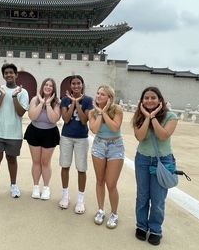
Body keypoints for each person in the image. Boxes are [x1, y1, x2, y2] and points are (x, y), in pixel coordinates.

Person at [132, 86, 178, 245]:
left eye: (153, 98)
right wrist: (146, 117)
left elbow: (163, 136)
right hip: (142, 160)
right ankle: (141, 226)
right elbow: (140, 136)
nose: (149, 100)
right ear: (142, 101)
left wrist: (153, 118)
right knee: (143, 195)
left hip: (163, 161)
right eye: (146, 98)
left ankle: (156, 229)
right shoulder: (138, 117)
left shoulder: (170, 117)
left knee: (158, 199)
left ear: (160, 100)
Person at [0, 63, 29, 201]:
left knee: (11, 159)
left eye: (11, 73)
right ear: (3, 75)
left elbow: (20, 113)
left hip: (14, 133)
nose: (9, 75)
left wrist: (14, 96)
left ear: (16, 75)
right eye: (6, 73)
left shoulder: (23, 92)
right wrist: (2, 95)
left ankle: (13, 185)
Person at [88, 85, 124, 229]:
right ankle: (101, 210)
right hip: (99, 145)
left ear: (109, 97)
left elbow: (115, 127)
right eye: (97, 93)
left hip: (115, 146)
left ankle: (114, 213)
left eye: (102, 94)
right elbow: (95, 129)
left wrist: (104, 112)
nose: (98, 96)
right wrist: (99, 113)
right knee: (100, 180)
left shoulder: (117, 110)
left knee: (111, 183)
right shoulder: (92, 113)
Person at [59, 75, 93, 214]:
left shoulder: (88, 100)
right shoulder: (65, 100)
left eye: (78, 83)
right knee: (65, 166)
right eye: (73, 84)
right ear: (70, 86)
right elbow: (66, 119)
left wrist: (78, 103)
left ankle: (80, 199)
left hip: (81, 138)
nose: (76, 86)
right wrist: (72, 102)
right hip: (67, 136)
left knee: (81, 169)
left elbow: (85, 120)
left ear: (82, 85)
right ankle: (65, 196)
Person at [24, 78, 61, 200]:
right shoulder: (35, 99)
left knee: (45, 162)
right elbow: (32, 116)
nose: (48, 87)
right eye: (46, 84)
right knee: (36, 161)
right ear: (43, 86)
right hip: (34, 132)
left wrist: (49, 103)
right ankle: (35, 187)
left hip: (50, 133)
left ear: (53, 88)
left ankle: (46, 188)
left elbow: (53, 119)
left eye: (51, 85)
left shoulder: (57, 102)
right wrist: (41, 103)